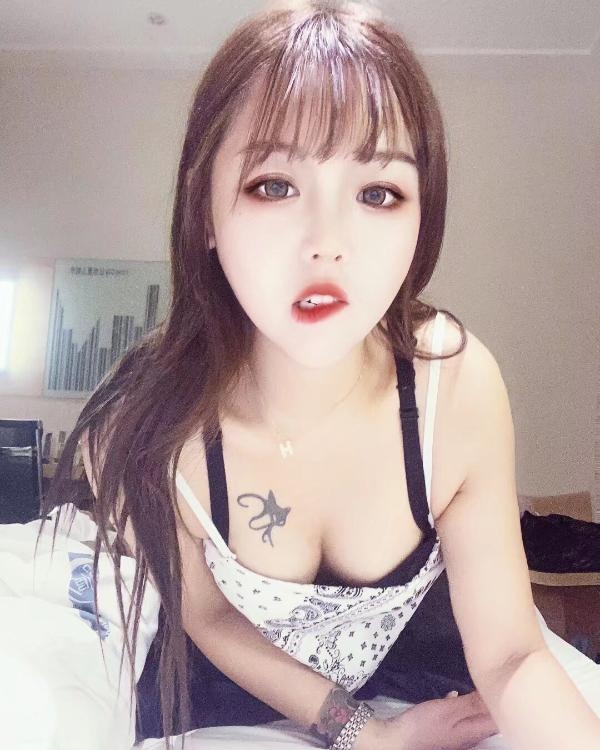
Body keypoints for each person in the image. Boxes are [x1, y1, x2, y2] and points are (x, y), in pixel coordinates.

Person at [44, 2, 600, 749]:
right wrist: (364, 735)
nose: (328, 243)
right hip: (228, 686)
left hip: (424, 664)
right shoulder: (149, 421)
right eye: (274, 185)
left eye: (379, 193)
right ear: (204, 210)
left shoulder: (453, 386)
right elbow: (207, 613)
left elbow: (509, 654)